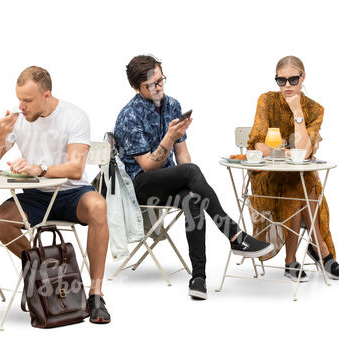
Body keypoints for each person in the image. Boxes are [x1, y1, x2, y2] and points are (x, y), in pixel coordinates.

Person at [114, 55, 274, 300]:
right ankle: (235, 236)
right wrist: (169, 138)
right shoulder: (129, 116)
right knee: (191, 172)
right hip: (139, 185)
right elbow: (147, 166)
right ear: (136, 87)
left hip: (167, 179)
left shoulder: (173, 105)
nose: (158, 88)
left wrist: (192, 184)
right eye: (151, 85)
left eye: (160, 81)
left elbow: (182, 154)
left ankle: (198, 278)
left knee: (194, 199)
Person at [0, 66, 111, 324]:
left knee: (98, 206)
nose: (22, 105)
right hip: (36, 195)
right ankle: (47, 276)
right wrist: (1, 133)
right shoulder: (19, 119)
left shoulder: (74, 116)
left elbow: (75, 169)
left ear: (47, 95)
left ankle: (95, 294)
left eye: (28, 100)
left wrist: (39, 168)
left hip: (72, 193)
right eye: (19, 99)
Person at [247, 56, 339, 281]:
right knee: (304, 182)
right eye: (281, 81)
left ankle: (291, 261)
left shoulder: (314, 109)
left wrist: (297, 111)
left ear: (303, 77)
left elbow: (305, 151)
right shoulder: (266, 101)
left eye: (292, 80)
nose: (287, 86)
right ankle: (320, 250)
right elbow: (257, 144)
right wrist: (285, 153)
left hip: (299, 178)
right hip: (267, 176)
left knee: (300, 181)